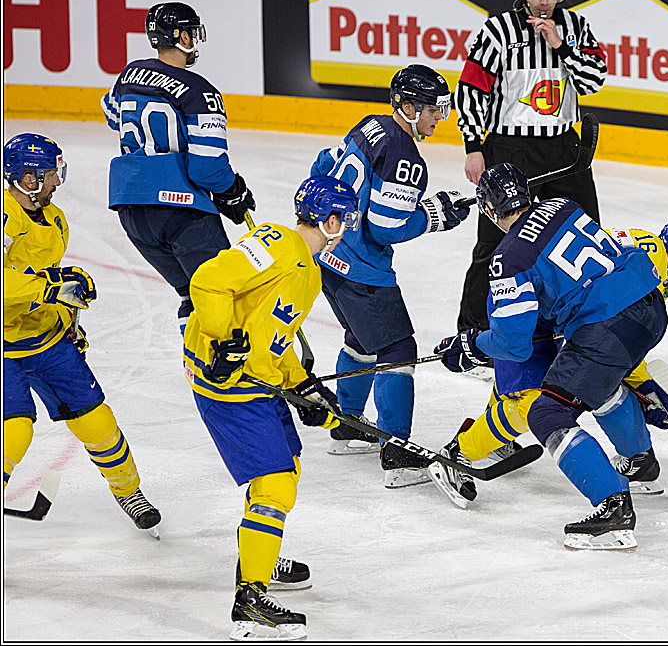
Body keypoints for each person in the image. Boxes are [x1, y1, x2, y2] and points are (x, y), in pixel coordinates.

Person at [434, 163, 668, 551]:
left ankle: (613, 510)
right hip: (650, 306)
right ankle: (641, 464)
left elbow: (515, 344)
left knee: (547, 414)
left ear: (490, 213)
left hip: (605, 325)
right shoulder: (563, 205)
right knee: (603, 384)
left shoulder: (508, 257)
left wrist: (471, 346)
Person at [429, 217, 668, 508]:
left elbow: (611, 331)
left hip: (554, 307)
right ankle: (458, 451)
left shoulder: (644, 256)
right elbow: (610, 321)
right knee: (532, 402)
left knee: (568, 384)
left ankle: (498, 435)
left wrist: (642, 384)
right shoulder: (650, 259)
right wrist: (478, 346)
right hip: (525, 300)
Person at [183, 175, 361, 640]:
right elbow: (207, 281)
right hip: (228, 383)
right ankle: (250, 600)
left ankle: (258, 552)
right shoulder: (279, 244)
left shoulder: (308, 268)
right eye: (348, 217)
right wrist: (224, 341)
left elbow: (271, 341)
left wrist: (306, 388)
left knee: (289, 467)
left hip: (256, 379)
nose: (352, 225)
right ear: (331, 219)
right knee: (275, 482)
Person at [308, 64, 472, 488]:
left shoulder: (370, 126)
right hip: (363, 268)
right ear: (408, 106)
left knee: (362, 340)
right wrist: (433, 216)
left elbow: (323, 164)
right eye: (434, 109)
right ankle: (398, 452)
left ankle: (347, 426)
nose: (441, 117)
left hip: (328, 254)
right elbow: (386, 226)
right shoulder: (406, 157)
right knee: (398, 346)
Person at [3, 133, 161, 535]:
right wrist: (46, 287)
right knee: (15, 429)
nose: (58, 180)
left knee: (97, 422)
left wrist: (69, 312)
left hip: (46, 337)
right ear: (27, 178)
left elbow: (41, 276)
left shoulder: (55, 220)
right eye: (51, 173)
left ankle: (129, 491)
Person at [454, 0, 607, 333]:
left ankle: (588, 325)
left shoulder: (576, 27)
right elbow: (472, 88)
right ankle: (474, 331)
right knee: (494, 244)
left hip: (564, 149)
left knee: (588, 234)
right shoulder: (497, 30)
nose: (543, 0)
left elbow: (594, 81)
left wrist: (560, 45)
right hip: (510, 150)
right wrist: (474, 146)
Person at [101, 1, 255, 333]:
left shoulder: (129, 73)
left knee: (191, 294)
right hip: (180, 211)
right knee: (220, 294)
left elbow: (112, 114)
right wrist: (233, 191)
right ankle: (229, 382)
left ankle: (197, 373)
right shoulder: (200, 92)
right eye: (191, 32)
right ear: (182, 36)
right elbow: (207, 168)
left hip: (131, 210)